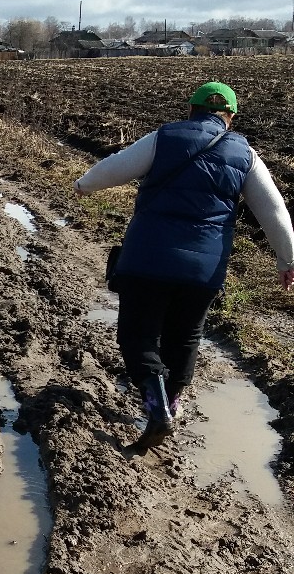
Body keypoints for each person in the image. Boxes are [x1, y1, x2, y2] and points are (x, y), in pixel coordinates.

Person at [75, 81, 294, 445]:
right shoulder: (245, 155)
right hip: (203, 271)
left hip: (147, 258)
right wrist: (287, 260)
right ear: (231, 118)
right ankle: (172, 402)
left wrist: (85, 185)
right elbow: (273, 211)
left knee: (138, 335)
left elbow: (116, 166)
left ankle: (155, 404)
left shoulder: (165, 137)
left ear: (190, 110)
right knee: (185, 337)